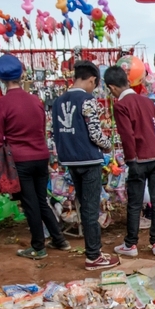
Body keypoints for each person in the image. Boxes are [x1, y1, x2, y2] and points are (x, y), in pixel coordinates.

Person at [0, 54, 70, 259]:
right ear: (22, 73)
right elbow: (41, 130)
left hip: (19, 159)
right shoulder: (35, 101)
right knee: (41, 200)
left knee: (30, 204)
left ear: (0, 77)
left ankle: (38, 247)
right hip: (41, 156)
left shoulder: (3, 103)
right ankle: (59, 240)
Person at [52, 60, 118, 271]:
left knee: (83, 204)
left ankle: (93, 251)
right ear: (91, 80)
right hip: (89, 159)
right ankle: (94, 256)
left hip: (69, 159)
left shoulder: (58, 101)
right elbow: (96, 134)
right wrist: (108, 147)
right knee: (91, 207)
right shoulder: (88, 100)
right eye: (94, 84)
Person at [105, 65, 155, 258]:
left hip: (139, 158)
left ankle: (131, 244)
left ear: (112, 87)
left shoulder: (121, 106)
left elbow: (127, 135)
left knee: (135, 202)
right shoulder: (148, 102)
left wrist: (131, 160)